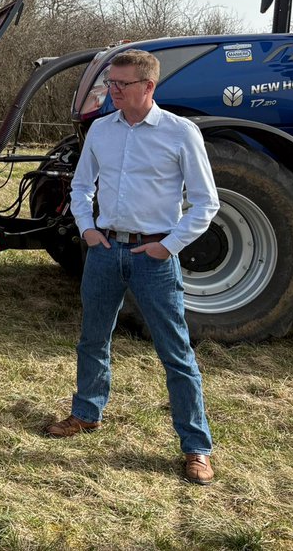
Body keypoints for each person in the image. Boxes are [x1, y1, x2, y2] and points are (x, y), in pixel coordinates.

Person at [45, 48, 221, 486]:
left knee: (175, 352)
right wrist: (87, 229)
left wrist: (169, 246)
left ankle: (196, 447)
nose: (113, 92)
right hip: (104, 252)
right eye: (111, 84)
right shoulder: (102, 130)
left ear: (149, 87)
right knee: (92, 339)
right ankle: (86, 413)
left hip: (154, 257)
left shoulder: (181, 133)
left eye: (121, 85)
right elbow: (82, 185)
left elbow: (206, 203)